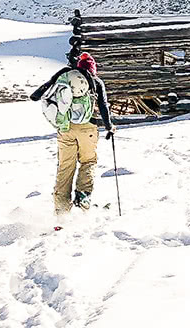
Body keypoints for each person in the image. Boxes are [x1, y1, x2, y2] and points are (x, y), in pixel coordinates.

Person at [30, 52, 116, 214]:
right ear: (92, 69)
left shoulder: (64, 76)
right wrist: (109, 127)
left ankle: (61, 208)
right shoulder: (96, 81)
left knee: (65, 166)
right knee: (88, 161)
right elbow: (103, 106)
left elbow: (37, 94)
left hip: (66, 129)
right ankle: (83, 195)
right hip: (87, 128)